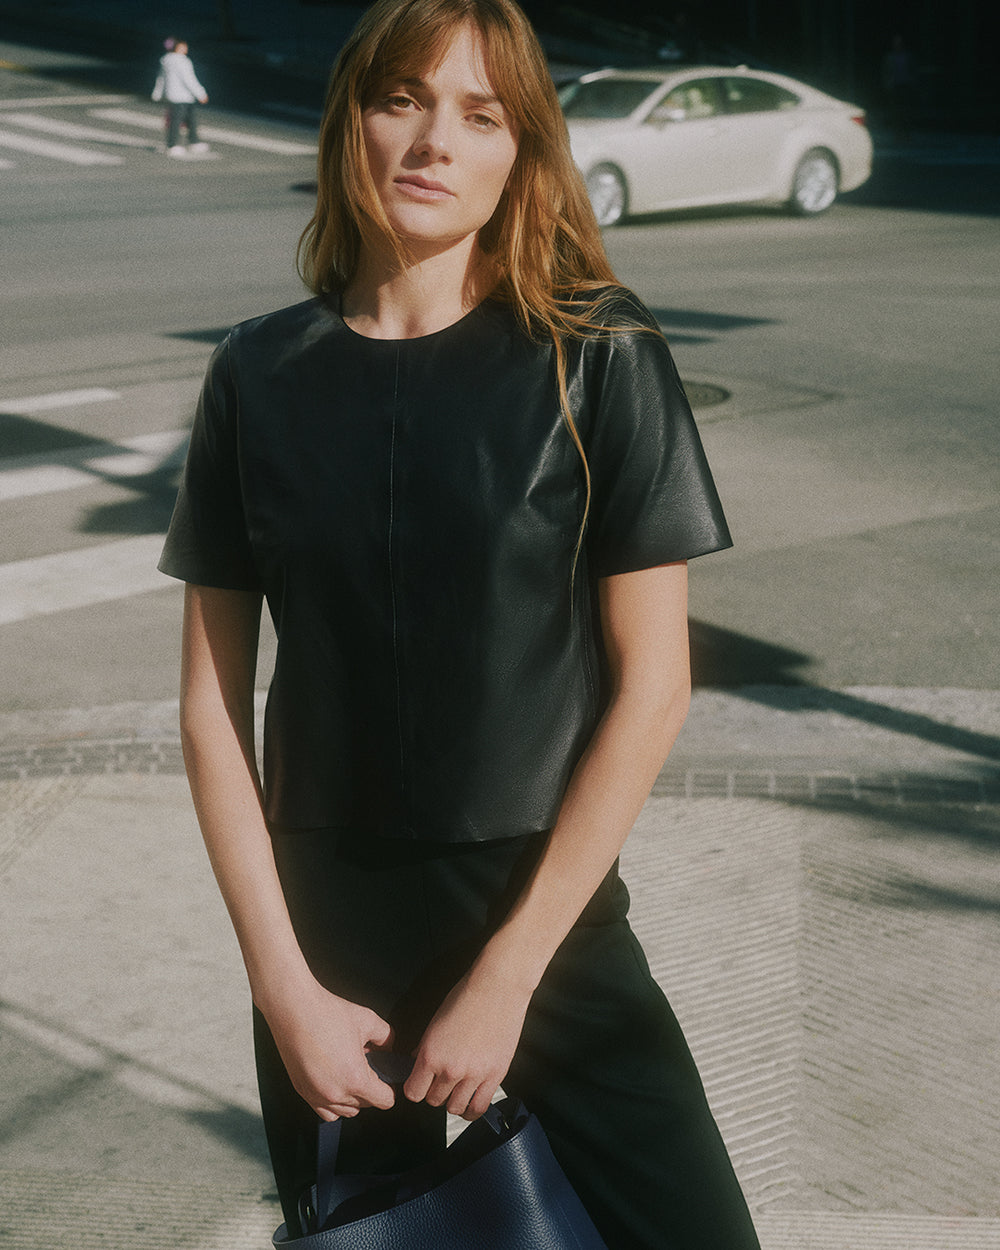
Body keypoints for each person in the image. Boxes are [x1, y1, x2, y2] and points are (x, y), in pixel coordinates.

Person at [158, 1, 761, 1246]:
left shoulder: (595, 353)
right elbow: (214, 706)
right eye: (402, 101)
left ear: (520, 153)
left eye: (479, 115)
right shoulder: (254, 374)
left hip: (540, 917)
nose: (435, 141)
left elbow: (653, 687)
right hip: (329, 949)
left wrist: (509, 977)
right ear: (350, 127)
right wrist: (282, 986)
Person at [152, 38, 209, 156]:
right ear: (177, 48)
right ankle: (173, 145)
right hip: (184, 96)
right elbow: (189, 80)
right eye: (184, 46)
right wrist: (201, 94)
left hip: (174, 95)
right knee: (179, 121)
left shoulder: (165, 60)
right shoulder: (183, 61)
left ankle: (193, 141)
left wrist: (157, 93)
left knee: (187, 119)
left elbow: (161, 78)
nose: (186, 48)